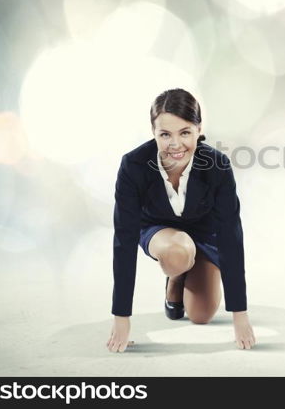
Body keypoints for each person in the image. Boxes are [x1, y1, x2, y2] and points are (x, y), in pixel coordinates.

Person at [106, 88, 255, 352]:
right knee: (178, 251)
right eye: (165, 134)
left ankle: (186, 271)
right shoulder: (133, 165)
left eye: (185, 132)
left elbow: (231, 235)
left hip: (204, 234)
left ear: (199, 128)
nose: (175, 145)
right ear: (153, 132)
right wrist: (121, 317)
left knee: (201, 315)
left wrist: (239, 314)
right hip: (159, 231)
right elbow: (124, 240)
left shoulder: (217, 165)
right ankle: (176, 274)